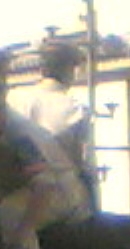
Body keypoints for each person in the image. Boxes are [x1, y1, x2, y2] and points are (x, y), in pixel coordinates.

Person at [0, 71, 92, 249]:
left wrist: (24, 231)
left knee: (11, 211)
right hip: (18, 184)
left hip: (59, 190)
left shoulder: (22, 134)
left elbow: (45, 185)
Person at [13, 40, 91, 184]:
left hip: (16, 183)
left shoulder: (15, 98)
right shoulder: (77, 109)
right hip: (59, 189)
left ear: (42, 69)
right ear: (70, 70)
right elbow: (78, 158)